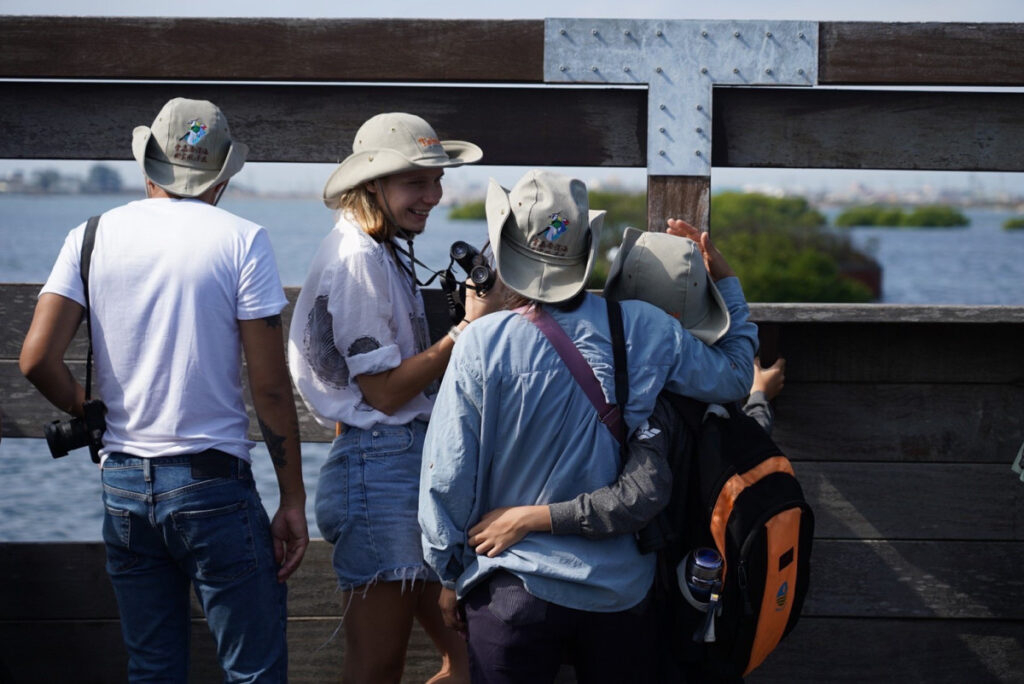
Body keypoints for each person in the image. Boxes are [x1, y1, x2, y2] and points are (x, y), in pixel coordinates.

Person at [418, 169, 759, 683]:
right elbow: (736, 376)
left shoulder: (480, 343)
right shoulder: (648, 328)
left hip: (513, 587)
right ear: (586, 250)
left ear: (507, 248)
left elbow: (448, 475)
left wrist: (451, 572)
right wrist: (728, 284)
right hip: (621, 595)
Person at [19, 97, 308, 682]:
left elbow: (35, 360)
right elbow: (272, 390)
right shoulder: (242, 239)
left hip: (123, 483)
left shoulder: (91, 235)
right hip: (211, 486)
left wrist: (86, 409)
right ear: (222, 174)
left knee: (152, 668)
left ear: (147, 166)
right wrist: (293, 500)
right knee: (252, 671)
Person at [287, 112, 501, 684]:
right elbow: (381, 394)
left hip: (394, 464)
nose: (433, 195)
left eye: (436, 180)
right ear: (372, 185)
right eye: (416, 182)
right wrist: (466, 331)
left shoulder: (379, 248)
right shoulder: (359, 259)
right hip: (381, 469)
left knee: (467, 659)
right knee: (380, 666)